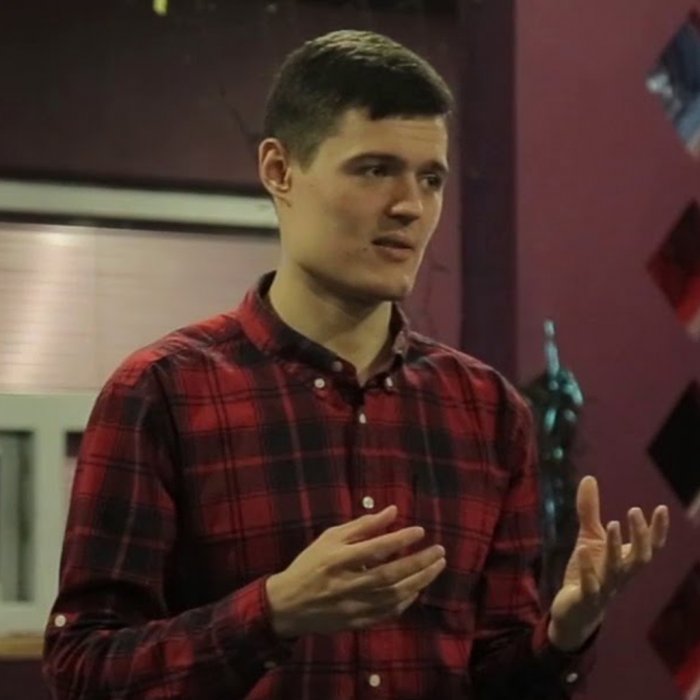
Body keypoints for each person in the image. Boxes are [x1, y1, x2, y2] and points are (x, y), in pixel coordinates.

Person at [43, 29, 670, 699]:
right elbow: (85, 670)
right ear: (280, 171)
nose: (410, 207)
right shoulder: (163, 392)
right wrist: (273, 613)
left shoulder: (486, 411)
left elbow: (495, 678)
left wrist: (563, 636)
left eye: (430, 179)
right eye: (374, 170)